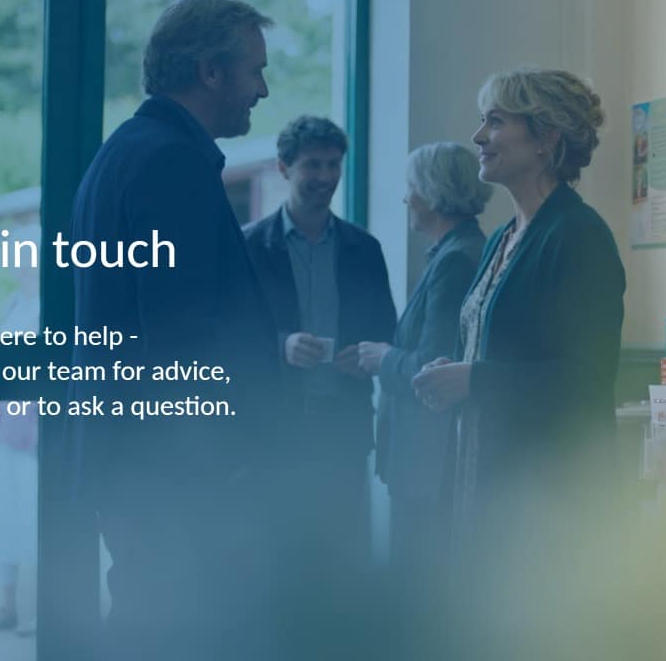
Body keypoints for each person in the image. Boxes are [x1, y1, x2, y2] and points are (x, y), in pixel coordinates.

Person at [69, 0, 286, 660]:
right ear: (209, 72)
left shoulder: (128, 151)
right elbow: (183, 334)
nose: (263, 89)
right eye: (254, 69)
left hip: (140, 470)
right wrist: (228, 464)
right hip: (176, 476)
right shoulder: (170, 162)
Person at [411, 68, 626, 644]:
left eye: (496, 121)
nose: (478, 136)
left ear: (546, 138)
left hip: (544, 505)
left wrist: (475, 381)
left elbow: (587, 378)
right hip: (479, 491)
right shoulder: (505, 237)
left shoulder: (579, 236)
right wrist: (449, 375)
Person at [242, 115, 396, 595]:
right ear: (284, 168)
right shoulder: (248, 247)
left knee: (339, 564)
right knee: (274, 560)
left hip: (342, 431)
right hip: (272, 433)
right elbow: (229, 337)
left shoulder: (363, 249)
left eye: (334, 165)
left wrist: (366, 355)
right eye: (313, 165)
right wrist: (280, 345)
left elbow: (385, 330)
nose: (326, 177)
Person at [356, 143, 489, 593]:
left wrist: (382, 358)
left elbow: (435, 366)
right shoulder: (457, 251)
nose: (405, 198)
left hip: (428, 461)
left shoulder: (456, 260)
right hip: (426, 459)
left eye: (411, 188)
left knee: (418, 588)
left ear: (433, 193)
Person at [0, 232, 39, 637]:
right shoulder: (14, 304)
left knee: (34, 514)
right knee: (6, 513)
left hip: (35, 429)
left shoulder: (51, 306)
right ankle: (6, 603)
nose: (17, 265)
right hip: (6, 426)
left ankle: (40, 607)